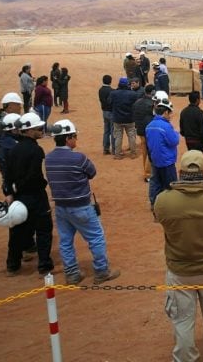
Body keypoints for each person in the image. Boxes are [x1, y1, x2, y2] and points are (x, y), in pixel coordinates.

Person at [154, 149, 203, 361]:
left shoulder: (163, 200)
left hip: (179, 271)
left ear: (179, 173)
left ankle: (186, 357)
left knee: (182, 321)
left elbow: (160, 219)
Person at [45, 119, 120, 285]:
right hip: (81, 206)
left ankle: (71, 274)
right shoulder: (78, 158)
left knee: (65, 241)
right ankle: (101, 271)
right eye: (74, 136)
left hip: (61, 207)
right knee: (96, 238)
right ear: (67, 138)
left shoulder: (49, 158)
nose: (75, 140)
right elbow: (92, 172)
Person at [2, 112, 54, 277]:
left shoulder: (13, 150)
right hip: (35, 195)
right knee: (44, 231)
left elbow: (7, 175)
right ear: (28, 131)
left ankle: (12, 265)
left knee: (17, 231)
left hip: (18, 197)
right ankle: (44, 265)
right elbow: (34, 176)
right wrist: (42, 185)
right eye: (37, 128)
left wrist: (10, 192)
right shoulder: (36, 150)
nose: (40, 130)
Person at [146, 95, 179, 208]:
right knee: (171, 186)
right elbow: (173, 141)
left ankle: (154, 205)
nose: (171, 115)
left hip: (155, 160)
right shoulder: (166, 126)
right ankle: (170, 207)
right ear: (165, 112)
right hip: (167, 161)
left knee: (156, 184)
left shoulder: (149, 125)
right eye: (170, 113)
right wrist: (176, 133)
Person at [110, 77, 138, 159]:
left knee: (118, 137)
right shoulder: (133, 94)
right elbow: (135, 105)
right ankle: (133, 153)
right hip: (130, 118)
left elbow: (109, 103)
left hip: (117, 119)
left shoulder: (113, 93)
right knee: (132, 136)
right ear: (127, 84)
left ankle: (117, 154)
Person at [133, 84, 157, 182]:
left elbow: (134, 115)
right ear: (152, 92)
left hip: (140, 129)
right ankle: (148, 173)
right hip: (149, 129)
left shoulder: (137, 102)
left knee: (144, 151)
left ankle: (146, 171)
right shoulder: (153, 104)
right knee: (150, 151)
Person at [98, 74, 115, 155]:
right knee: (113, 131)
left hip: (104, 112)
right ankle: (114, 149)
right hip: (111, 112)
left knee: (106, 131)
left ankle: (105, 148)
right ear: (110, 81)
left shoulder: (100, 90)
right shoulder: (111, 91)